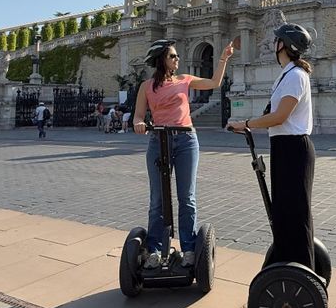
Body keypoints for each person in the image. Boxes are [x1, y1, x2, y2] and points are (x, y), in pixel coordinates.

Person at [133, 38, 234, 268]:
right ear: (161, 60)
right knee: (157, 199)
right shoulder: (146, 87)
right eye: (173, 56)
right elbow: (138, 115)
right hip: (158, 140)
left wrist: (223, 58)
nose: (177, 58)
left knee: (186, 198)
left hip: (186, 140)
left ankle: (188, 247)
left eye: (177, 55)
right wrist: (139, 123)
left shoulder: (185, 80)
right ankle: (155, 249)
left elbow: (215, 82)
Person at [227, 23, 317, 270]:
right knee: (284, 212)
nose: (271, 44)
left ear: (283, 46)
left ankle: (300, 270)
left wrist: (246, 123)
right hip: (283, 146)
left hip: (294, 149)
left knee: (295, 213)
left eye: (276, 40)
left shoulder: (296, 76)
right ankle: (288, 262)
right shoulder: (287, 74)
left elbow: (280, 116)